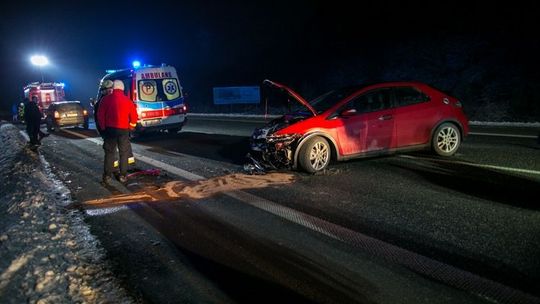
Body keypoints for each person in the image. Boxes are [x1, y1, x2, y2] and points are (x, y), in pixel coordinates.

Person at [97, 80, 138, 184]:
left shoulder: (105, 100)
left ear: (113, 87)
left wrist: (103, 128)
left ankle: (107, 176)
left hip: (110, 130)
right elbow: (134, 116)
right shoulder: (127, 100)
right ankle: (123, 175)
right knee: (123, 153)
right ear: (122, 88)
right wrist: (131, 127)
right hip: (124, 130)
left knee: (109, 153)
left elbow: (100, 115)